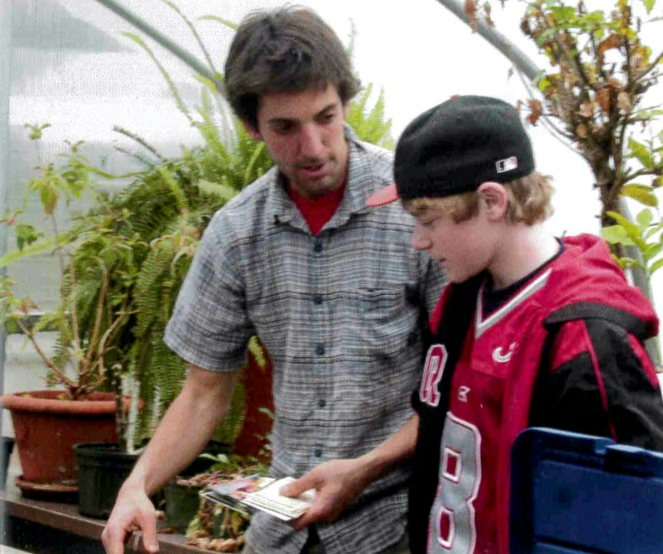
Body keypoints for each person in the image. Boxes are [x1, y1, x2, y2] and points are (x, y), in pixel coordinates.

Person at [101, 7, 445, 554]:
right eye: (285, 127)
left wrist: (366, 466)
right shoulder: (237, 233)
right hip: (285, 531)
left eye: (326, 117)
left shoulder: (415, 210)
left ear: (346, 102)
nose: (312, 147)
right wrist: (136, 486)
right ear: (251, 126)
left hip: (399, 525)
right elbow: (203, 392)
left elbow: (460, 387)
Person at [282, 95, 663, 553]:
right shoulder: (462, 299)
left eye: (427, 220)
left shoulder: (582, 339)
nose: (418, 241)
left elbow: (626, 523)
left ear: (492, 200)